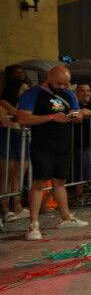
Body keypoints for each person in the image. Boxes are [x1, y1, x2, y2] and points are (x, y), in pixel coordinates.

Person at [17, 66, 89, 240]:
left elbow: (79, 116)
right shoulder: (33, 93)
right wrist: (51, 117)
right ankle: (33, 224)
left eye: (66, 83)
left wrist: (73, 115)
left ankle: (65, 217)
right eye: (59, 83)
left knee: (61, 182)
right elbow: (23, 118)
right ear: (49, 77)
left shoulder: (68, 93)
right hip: (42, 145)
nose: (63, 87)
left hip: (63, 145)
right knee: (39, 182)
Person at [0, 65, 31, 223]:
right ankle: (5, 209)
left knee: (19, 174)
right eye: (23, 90)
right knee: (7, 175)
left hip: (22, 137)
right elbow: (12, 112)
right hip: (8, 137)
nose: (26, 94)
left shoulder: (28, 105)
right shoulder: (5, 103)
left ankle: (17, 206)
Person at [71, 84, 91, 206]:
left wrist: (90, 113)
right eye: (82, 91)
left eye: (88, 91)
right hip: (81, 144)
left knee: (88, 171)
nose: (86, 93)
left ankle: (82, 194)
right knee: (81, 171)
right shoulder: (74, 106)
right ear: (76, 92)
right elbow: (74, 115)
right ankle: (77, 196)